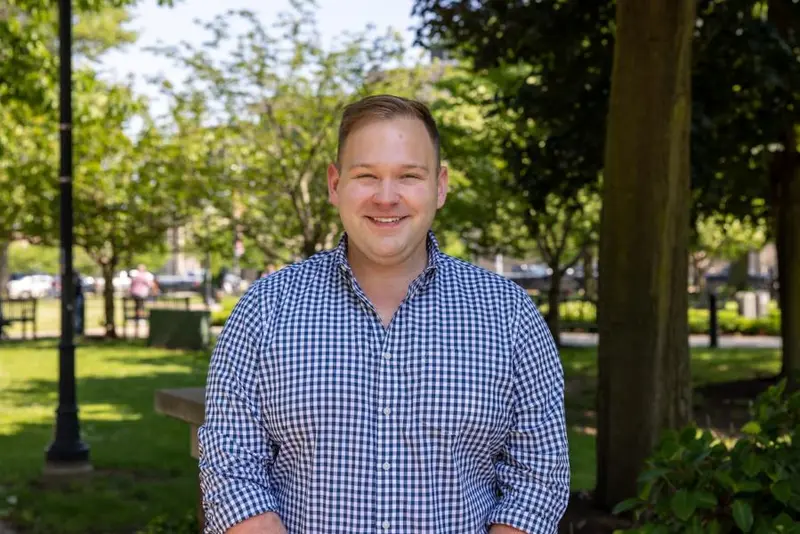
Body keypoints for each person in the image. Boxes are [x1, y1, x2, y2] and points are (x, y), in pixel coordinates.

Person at [198, 95, 570, 534]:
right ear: (335, 185)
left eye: (409, 176)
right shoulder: (265, 309)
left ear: (440, 186)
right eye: (367, 176)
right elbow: (230, 468)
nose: (387, 197)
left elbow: (538, 478)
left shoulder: (509, 315)